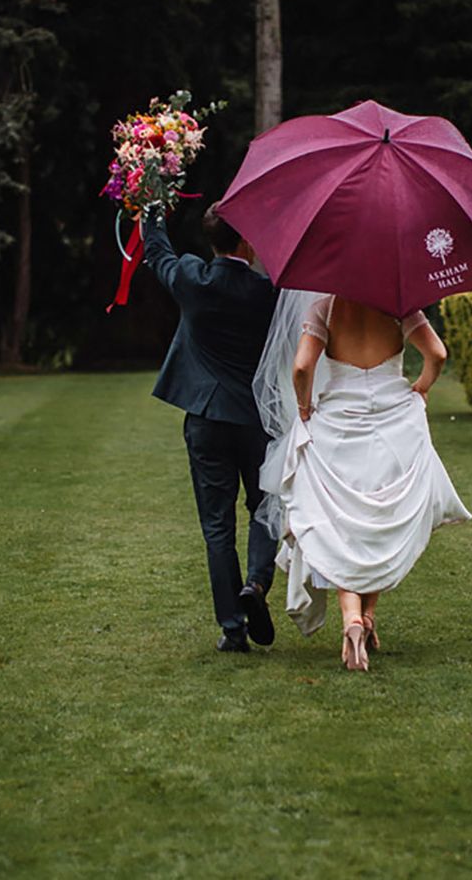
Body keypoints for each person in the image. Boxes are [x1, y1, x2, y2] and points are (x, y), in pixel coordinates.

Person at [254, 291, 471, 671]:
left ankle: (352, 620)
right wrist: (421, 387)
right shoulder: (399, 306)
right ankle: (367, 618)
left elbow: (303, 367)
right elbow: (437, 353)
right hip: (394, 423)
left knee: (343, 525)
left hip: (340, 423)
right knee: (377, 522)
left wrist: (305, 408)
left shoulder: (324, 308)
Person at [141, 206, 279, 653]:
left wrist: (151, 211)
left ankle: (233, 629)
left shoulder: (192, 279)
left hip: (205, 418)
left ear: (213, 242)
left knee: (216, 526)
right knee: (265, 508)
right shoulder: (267, 293)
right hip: (256, 419)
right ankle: (256, 584)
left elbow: (157, 253)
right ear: (247, 243)